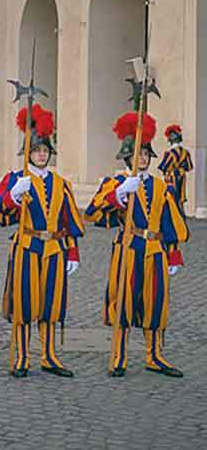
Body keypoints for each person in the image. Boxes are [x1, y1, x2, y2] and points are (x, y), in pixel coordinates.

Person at [86, 112, 189, 378]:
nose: (141, 159)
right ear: (127, 157)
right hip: (129, 248)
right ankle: (119, 355)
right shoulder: (116, 183)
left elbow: (170, 221)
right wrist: (120, 194)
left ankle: (154, 356)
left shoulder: (161, 186)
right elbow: (94, 213)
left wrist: (173, 253)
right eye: (137, 154)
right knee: (124, 300)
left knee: (155, 302)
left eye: (145, 154)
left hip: (154, 249)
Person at [0, 104, 84, 378]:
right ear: (27, 154)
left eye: (45, 151)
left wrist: (73, 253)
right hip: (27, 247)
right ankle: (20, 356)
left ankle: (49, 355)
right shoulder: (15, 178)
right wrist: (14, 196)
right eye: (36, 151)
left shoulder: (60, 183)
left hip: (54, 248)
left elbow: (69, 220)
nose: (41, 155)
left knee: (51, 303)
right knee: (24, 303)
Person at [158, 124, 192, 214]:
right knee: (180, 199)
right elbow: (189, 167)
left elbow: (163, 167)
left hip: (172, 177)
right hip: (182, 176)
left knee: (172, 197)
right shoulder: (186, 152)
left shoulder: (170, 153)